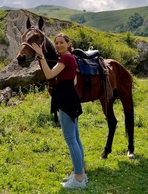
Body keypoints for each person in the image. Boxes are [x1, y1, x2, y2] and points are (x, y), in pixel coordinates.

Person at [32, 33, 87, 189]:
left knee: (70, 139)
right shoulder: (71, 58)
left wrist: (41, 56)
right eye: (56, 43)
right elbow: (74, 80)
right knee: (75, 137)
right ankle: (81, 173)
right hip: (71, 98)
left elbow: (49, 74)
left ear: (68, 43)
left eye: (61, 42)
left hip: (66, 100)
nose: (57, 45)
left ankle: (78, 179)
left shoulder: (66, 58)